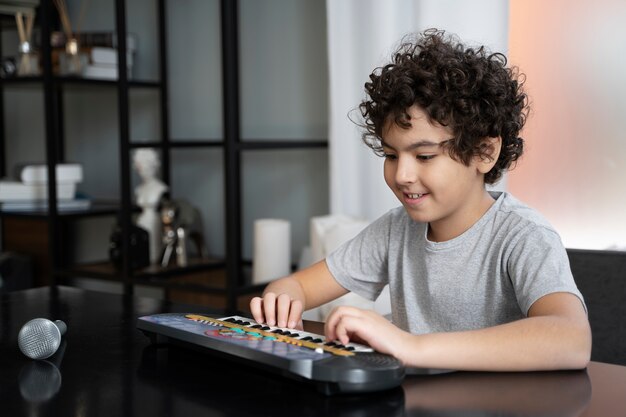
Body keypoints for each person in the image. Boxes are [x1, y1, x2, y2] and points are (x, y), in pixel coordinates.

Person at [250, 29, 591, 371]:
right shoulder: (394, 230)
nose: (401, 175)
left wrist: (412, 345)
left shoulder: (522, 236)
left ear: (484, 152)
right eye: (391, 155)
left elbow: (571, 339)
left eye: (424, 156)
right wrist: (284, 297)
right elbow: (295, 285)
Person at [133, 148, 168, 263]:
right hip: (141, 223)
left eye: (141, 164)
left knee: (152, 251)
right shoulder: (139, 189)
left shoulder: (160, 188)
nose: (138, 168)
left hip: (153, 223)